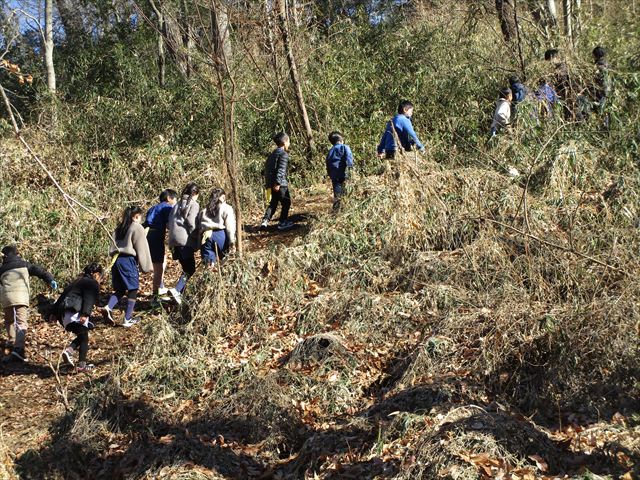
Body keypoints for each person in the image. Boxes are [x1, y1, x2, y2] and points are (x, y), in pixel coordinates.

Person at [0, 245, 57, 362]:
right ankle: (18, 349)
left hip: (6, 299)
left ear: (4, 256)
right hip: (21, 297)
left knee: (9, 320)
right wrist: (50, 279)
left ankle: (12, 341)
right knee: (21, 322)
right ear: (17, 254)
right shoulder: (24, 265)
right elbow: (40, 271)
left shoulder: (2, 269)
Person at [103, 206, 152, 327]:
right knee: (133, 289)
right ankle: (127, 318)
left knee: (120, 289)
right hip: (128, 261)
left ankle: (108, 307)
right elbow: (142, 247)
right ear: (136, 216)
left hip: (116, 260)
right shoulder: (136, 227)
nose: (141, 219)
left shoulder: (119, 228)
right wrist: (146, 267)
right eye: (140, 216)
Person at [54, 263, 103, 372]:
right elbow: (89, 298)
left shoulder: (75, 282)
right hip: (75, 313)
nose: (100, 279)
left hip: (63, 316)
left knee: (82, 336)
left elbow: (61, 298)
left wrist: (52, 313)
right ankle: (75, 358)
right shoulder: (92, 283)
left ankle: (74, 356)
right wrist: (85, 314)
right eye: (100, 276)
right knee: (84, 338)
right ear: (96, 274)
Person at [167, 183, 200, 304]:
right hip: (184, 241)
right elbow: (192, 223)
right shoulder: (194, 204)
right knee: (190, 269)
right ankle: (177, 290)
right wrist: (197, 236)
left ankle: (180, 294)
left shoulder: (177, 204)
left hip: (173, 241)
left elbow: (169, 223)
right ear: (195, 193)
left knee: (186, 267)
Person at [144, 189, 178, 302]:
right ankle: (156, 296)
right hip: (156, 237)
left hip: (146, 235)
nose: (175, 202)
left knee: (160, 262)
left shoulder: (153, 208)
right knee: (158, 267)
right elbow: (169, 225)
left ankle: (160, 287)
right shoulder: (167, 207)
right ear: (169, 198)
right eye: (175, 199)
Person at [261, 132, 295, 231]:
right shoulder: (283, 154)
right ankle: (282, 222)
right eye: (288, 141)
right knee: (286, 202)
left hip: (270, 183)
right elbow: (281, 169)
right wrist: (278, 183)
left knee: (273, 203)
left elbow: (267, 170)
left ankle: (265, 222)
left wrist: (270, 184)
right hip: (280, 184)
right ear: (285, 142)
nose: (289, 144)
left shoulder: (272, 154)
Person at [198, 188, 236, 267]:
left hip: (206, 237)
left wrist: (198, 244)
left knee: (209, 265)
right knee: (226, 262)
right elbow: (230, 226)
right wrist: (232, 241)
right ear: (223, 197)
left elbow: (199, 228)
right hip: (220, 236)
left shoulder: (203, 210)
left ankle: (210, 275)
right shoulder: (226, 208)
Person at [326, 131, 354, 211]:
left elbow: (328, 163)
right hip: (344, 174)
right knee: (346, 193)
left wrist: (330, 174)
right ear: (341, 140)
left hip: (334, 176)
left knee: (337, 194)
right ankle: (346, 209)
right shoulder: (344, 147)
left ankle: (336, 210)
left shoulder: (330, 151)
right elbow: (349, 159)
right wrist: (351, 169)